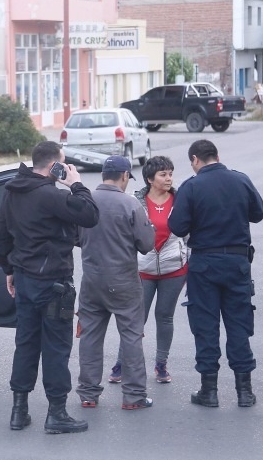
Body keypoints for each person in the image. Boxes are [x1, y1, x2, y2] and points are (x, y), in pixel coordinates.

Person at [0, 141, 99, 434]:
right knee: (56, 347)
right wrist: (76, 184)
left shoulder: (12, 192)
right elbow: (90, 214)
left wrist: (10, 271)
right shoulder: (52, 195)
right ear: (55, 165)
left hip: (25, 280)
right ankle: (57, 413)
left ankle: (19, 411)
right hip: (54, 283)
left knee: (25, 343)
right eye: (62, 163)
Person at [168, 139, 263, 408]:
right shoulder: (241, 180)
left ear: (195, 160)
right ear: (217, 156)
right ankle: (244, 392)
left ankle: (209, 392)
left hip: (205, 264)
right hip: (237, 261)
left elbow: (177, 226)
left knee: (206, 326)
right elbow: (258, 214)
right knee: (239, 325)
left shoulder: (191, 186)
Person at [76, 155, 156, 410]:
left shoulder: (84, 202)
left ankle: (88, 394)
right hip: (123, 281)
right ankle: (133, 397)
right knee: (131, 337)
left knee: (89, 336)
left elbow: (76, 238)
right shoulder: (131, 205)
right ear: (124, 176)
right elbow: (146, 245)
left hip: (92, 280)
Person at [107, 156, 188, 385]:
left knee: (165, 317)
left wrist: (187, 260)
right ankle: (121, 363)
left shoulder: (181, 199)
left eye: (171, 173)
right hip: (142, 271)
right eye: (163, 174)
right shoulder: (135, 201)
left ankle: (161, 365)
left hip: (174, 269)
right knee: (135, 320)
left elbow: (190, 233)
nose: (169, 178)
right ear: (150, 179)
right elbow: (125, 235)